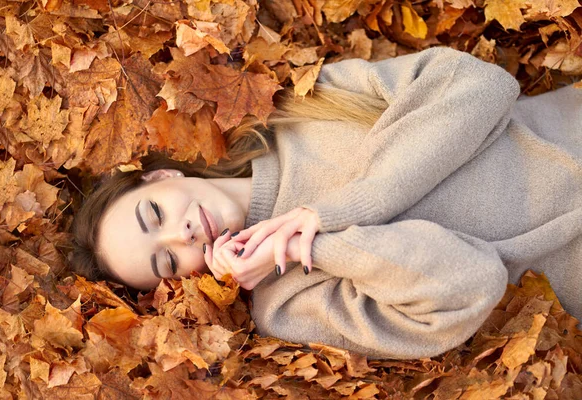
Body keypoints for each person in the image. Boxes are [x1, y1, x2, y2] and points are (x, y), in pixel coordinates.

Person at [71, 46, 582, 360]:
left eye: (154, 214)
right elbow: (471, 284)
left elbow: (480, 84)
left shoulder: (293, 111)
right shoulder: (286, 306)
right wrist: (304, 246)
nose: (179, 235)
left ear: (162, 176)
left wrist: (341, 209)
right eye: (165, 260)